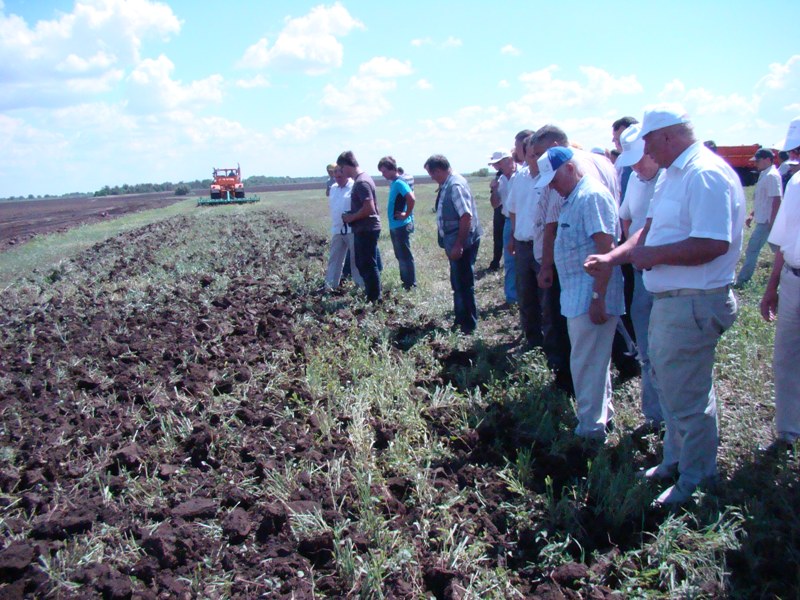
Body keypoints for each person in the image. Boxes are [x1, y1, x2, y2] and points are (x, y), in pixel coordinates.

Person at [584, 104, 745, 505]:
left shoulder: (704, 174)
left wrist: (656, 257)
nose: (647, 154)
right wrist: (613, 258)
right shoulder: (674, 175)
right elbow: (647, 232)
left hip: (693, 301)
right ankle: (675, 460)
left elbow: (713, 243)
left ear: (668, 136)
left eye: (649, 143)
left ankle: (696, 478)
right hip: (670, 300)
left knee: (687, 395)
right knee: (670, 387)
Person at [534, 147, 624, 441]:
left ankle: (590, 431)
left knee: (586, 364)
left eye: (554, 178)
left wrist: (598, 297)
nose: (552, 186)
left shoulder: (591, 196)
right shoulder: (572, 198)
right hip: (578, 295)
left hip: (590, 297)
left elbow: (605, 249)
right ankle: (600, 418)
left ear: (570, 168)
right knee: (593, 361)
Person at [614, 124, 664, 429]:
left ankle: (669, 415)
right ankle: (653, 415)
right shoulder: (635, 178)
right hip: (639, 269)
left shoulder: (667, 180)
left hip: (665, 272)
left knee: (665, 349)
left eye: (638, 158)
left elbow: (648, 227)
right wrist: (630, 249)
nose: (634, 165)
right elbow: (626, 216)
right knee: (645, 345)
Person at [760, 116, 800, 450]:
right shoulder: (797, 184)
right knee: (787, 355)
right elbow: (785, 242)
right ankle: (789, 430)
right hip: (793, 279)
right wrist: (772, 286)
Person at [424, 154, 482, 334]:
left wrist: (459, 244)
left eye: (432, 175)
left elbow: (466, 216)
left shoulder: (455, 186)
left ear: (439, 170)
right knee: (458, 283)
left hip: (462, 243)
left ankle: (468, 325)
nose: (432, 178)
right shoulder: (447, 183)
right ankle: (461, 318)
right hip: (455, 243)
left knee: (463, 283)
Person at [338, 151, 382, 302]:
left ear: (346, 166)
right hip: (363, 228)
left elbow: (369, 208)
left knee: (367, 264)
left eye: (341, 169)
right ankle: (372, 295)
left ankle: (375, 299)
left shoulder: (362, 182)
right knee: (363, 263)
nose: (341, 173)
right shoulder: (362, 179)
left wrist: (351, 217)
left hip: (367, 229)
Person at [735, 148, 783, 286]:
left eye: (758, 161)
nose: (756, 164)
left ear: (767, 159)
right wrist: (752, 214)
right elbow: (763, 199)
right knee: (779, 250)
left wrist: (773, 222)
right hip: (764, 220)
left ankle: (743, 280)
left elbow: (776, 199)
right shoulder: (765, 174)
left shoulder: (772, 176)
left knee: (752, 249)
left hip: (767, 222)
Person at [378, 156, 417, 290]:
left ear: (392, 169)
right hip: (395, 225)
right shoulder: (394, 183)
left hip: (401, 225)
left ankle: (410, 284)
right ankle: (405, 281)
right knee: (400, 255)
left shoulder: (399, 182)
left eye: (384, 171)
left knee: (404, 255)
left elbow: (411, 198)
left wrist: (406, 214)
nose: (383, 175)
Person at [325, 166, 363, 290]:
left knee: (355, 260)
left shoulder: (354, 186)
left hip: (352, 229)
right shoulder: (333, 188)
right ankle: (330, 287)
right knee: (334, 259)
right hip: (337, 229)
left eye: (340, 176)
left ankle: (360, 287)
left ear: (346, 174)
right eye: (335, 176)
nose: (337, 178)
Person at [488, 149, 517, 304]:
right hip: (507, 220)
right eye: (495, 164)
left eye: (498, 163)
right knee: (510, 259)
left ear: (508, 160)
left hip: (523, 220)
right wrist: (494, 189)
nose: (496, 167)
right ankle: (512, 298)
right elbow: (495, 204)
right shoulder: (500, 180)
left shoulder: (521, 176)